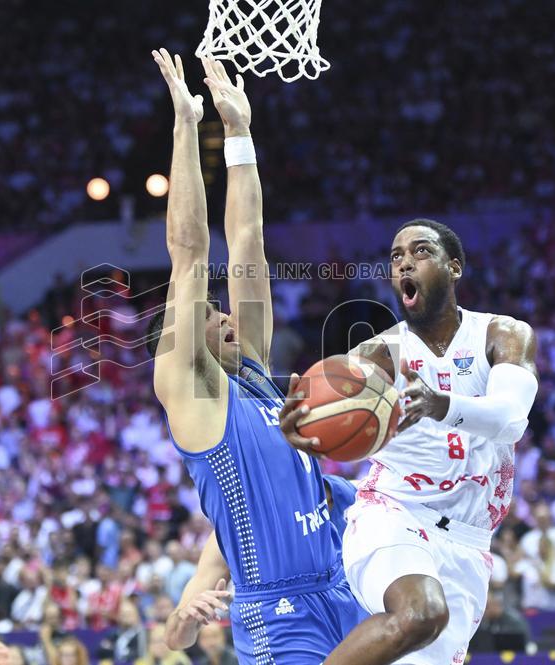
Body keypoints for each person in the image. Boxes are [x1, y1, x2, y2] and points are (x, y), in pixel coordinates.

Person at [146, 50, 365, 664]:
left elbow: (248, 242)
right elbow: (190, 251)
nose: (224, 314)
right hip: (278, 614)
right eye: (211, 316)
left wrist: (239, 134)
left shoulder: (257, 377)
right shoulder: (192, 392)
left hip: (344, 594)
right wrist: (187, 128)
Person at [280, 219, 539, 665]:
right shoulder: (379, 355)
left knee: (424, 622)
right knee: (421, 612)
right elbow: (325, 409)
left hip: (469, 541)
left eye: (420, 252)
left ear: (454, 267)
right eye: (396, 256)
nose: (404, 263)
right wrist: (305, 432)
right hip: (393, 513)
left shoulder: (501, 334)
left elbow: (512, 419)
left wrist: (442, 404)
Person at [164, 475, 358, 650]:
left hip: (358, 637)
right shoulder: (230, 537)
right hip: (284, 648)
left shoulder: (344, 496)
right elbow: (174, 639)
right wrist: (186, 619)